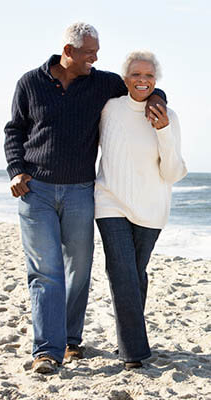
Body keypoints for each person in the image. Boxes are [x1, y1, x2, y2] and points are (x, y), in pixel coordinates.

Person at [4, 23, 167, 374]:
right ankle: (47, 351)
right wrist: (16, 169)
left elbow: (141, 85)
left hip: (81, 190)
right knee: (46, 272)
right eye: (89, 52)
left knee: (77, 271)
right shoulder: (29, 83)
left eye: (96, 51)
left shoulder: (100, 83)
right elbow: (14, 130)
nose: (96, 57)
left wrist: (158, 98)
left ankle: (70, 340)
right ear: (68, 51)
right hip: (36, 191)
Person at [95, 51, 187, 370]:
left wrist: (162, 131)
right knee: (121, 272)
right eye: (136, 74)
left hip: (151, 207)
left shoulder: (168, 116)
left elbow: (173, 172)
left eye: (149, 76)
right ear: (125, 78)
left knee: (134, 275)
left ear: (156, 80)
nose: (142, 80)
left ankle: (128, 337)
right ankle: (134, 352)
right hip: (110, 201)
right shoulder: (109, 109)